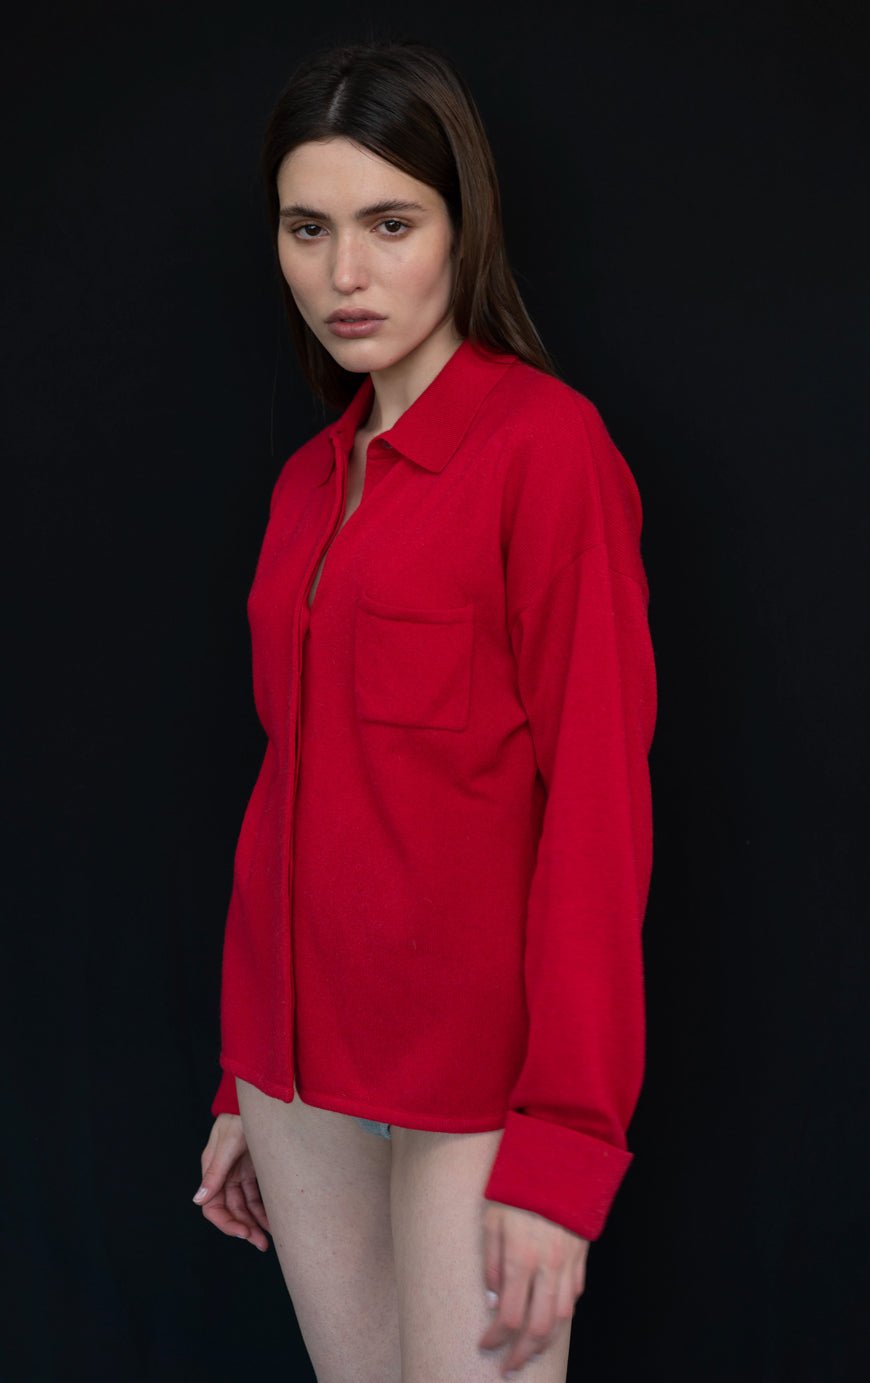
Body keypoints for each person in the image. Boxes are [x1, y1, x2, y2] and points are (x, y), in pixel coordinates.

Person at [193, 39, 656, 1383]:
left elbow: (599, 814)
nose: (346, 273)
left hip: (478, 1083)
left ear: (462, 226)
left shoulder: (545, 451)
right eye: (309, 228)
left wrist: (566, 1146)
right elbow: (289, 792)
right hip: (293, 1076)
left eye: (390, 224)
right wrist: (238, 1080)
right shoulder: (303, 485)